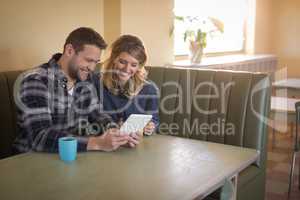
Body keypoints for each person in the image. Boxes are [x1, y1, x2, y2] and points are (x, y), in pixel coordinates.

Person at [13, 27, 140, 153]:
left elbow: (98, 115)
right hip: (34, 161)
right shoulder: (36, 80)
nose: (92, 67)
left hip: (75, 156)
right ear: (69, 51)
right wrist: (97, 143)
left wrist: (118, 135)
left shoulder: (85, 79)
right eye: (89, 60)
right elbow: (40, 137)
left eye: (96, 62)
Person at [97, 35, 159, 135]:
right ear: (114, 58)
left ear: (139, 66)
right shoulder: (97, 83)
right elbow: (89, 119)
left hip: (135, 144)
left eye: (133, 65)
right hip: (104, 143)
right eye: (122, 62)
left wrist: (151, 126)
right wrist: (112, 128)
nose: (126, 69)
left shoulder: (149, 89)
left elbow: (154, 119)